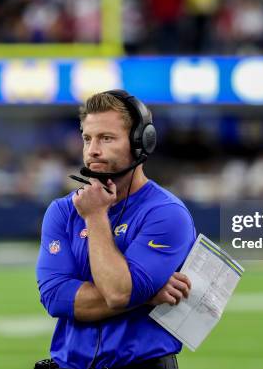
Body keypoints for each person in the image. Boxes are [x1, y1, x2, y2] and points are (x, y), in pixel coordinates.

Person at [35, 90, 197, 369]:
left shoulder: (166, 213)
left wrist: (96, 216)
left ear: (141, 143)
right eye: (87, 138)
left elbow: (118, 293)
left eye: (106, 138)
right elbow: (55, 298)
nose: (92, 150)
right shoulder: (62, 210)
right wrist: (147, 295)